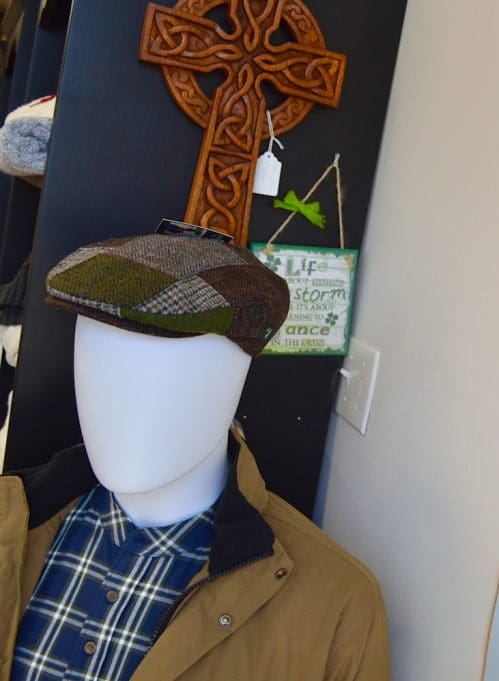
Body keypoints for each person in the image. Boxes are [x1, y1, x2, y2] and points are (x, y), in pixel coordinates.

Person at [0, 234, 390, 680]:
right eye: (99, 366)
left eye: (164, 378)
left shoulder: (339, 609)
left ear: (233, 383)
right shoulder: (13, 517)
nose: (118, 405)